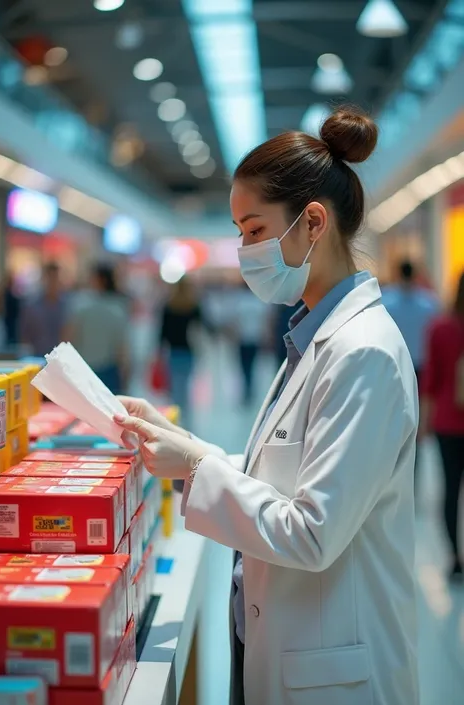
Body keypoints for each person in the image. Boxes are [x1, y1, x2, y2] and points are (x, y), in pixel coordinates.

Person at [115, 107, 419, 705]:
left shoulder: (363, 353)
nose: (244, 250)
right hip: (284, 649)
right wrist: (189, 452)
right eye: (239, 233)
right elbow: (281, 472)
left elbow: (311, 531)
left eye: (254, 230)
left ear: (312, 223)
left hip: (336, 677)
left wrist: (200, 470)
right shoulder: (311, 338)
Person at [421, 272, 464, 580]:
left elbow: (431, 380)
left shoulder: (441, 328)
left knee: (450, 490)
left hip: (448, 423)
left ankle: (454, 557)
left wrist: (424, 422)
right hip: (450, 421)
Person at [64, 264, 129, 395]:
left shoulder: (81, 305)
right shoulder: (118, 308)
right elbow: (121, 348)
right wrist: (125, 373)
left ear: (99, 280)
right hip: (109, 370)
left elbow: (67, 338)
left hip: (83, 368)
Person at [381, 260, 440, 381]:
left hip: (396, 360)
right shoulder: (428, 303)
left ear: (397, 274)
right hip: (420, 361)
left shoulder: (385, 302)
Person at [158, 277, 206, 420]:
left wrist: (159, 352)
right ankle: (185, 415)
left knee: (174, 386)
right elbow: (203, 327)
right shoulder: (193, 306)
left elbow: (162, 332)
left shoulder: (168, 306)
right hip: (189, 351)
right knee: (185, 385)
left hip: (173, 351)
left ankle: (174, 414)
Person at [231, 282, 269, 405]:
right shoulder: (259, 301)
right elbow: (265, 321)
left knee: (244, 367)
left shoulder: (239, 301)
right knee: (252, 366)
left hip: (243, 339)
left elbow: (236, 321)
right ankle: (250, 390)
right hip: (255, 338)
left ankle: (246, 391)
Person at [19, 262, 67, 357]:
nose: (52, 282)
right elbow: (24, 335)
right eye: (50, 278)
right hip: (38, 356)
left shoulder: (66, 306)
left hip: (61, 359)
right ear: (44, 279)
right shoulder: (32, 306)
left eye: (55, 278)